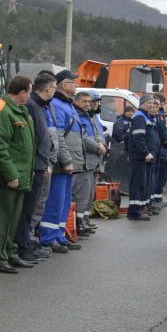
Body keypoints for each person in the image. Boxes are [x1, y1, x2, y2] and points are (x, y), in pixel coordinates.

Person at [0, 76, 36, 273]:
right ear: (21, 93)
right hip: (6, 178)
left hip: (19, 176)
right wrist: (10, 175)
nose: (29, 97)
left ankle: (9, 253)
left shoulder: (19, 111)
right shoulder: (2, 112)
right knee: (1, 219)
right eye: (29, 92)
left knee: (12, 219)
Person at [37, 70, 80, 252]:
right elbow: (58, 136)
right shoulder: (57, 105)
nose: (76, 85)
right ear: (63, 85)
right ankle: (48, 237)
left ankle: (59, 235)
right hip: (60, 162)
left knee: (63, 201)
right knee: (55, 201)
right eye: (73, 82)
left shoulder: (65, 105)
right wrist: (66, 159)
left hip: (66, 161)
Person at [17, 72, 58, 261]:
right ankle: (23, 245)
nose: (55, 91)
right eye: (54, 87)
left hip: (41, 164)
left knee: (33, 207)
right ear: (47, 88)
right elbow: (31, 140)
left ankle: (28, 241)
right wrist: (39, 163)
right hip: (34, 166)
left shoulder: (40, 107)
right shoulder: (32, 106)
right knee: (27, 209)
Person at [71, 90, 106, 237]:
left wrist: (102, 143)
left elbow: (98, 133)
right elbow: (83, 137)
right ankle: (79, 224)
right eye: (85, 101)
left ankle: (84, 220)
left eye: (90, 102)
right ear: (77, 101)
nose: (89, 104)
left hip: (92, 162)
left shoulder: (91, 117)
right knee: (81, 195)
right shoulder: (78, 116)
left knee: (89, 195)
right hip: (84, 160)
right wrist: (97, 147)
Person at [126, 95, 161, 221]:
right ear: (142, 103)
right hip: (140, 157)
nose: (152, 105)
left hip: (147, 157)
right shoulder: (140, 117)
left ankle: (141, 207)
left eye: (153, 103)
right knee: (138, 184)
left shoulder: (146, 116)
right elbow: (138, 138)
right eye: (149, 103)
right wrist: (145, 153)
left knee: (144, 184)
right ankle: (134, 211)